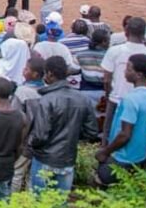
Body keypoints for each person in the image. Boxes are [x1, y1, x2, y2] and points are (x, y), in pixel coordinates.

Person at [29, 56, 99, 193]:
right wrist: (72, 136)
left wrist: (31, 144)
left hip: (44, 158)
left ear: (49, 74)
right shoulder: (82, 99)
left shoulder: (46, 100)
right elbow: (92, 132)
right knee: (60, 204)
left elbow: (40, 135)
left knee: (38, 205)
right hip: (68, 159)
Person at [96, 55, 146, 185]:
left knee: (99, 178)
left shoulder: (131, 99)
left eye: (128, 69)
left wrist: (105, 151)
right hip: (142, 155)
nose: (125, 71)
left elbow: (125, 135)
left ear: (139, 75)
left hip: (124, 157)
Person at [101, 16, 146, 144]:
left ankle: (105, 156)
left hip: (116, 99)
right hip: (142, 103)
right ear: (144, 34)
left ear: (126, 32)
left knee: (109, 133)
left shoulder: (114, 50)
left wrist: (108, 95)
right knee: (138, 134)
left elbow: (106, 80)